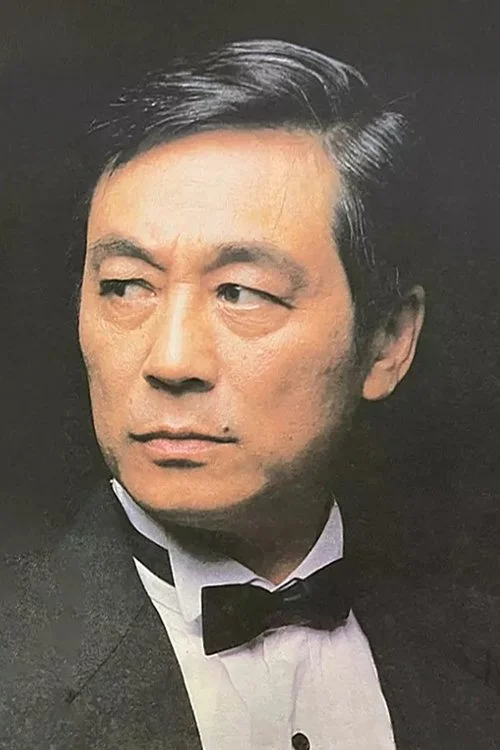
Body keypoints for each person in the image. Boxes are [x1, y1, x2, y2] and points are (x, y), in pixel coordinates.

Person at [2, 39, 498, 750]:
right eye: (126, 287)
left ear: (387, 342)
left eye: (241, 292)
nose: (171, 361)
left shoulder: (472, 654)